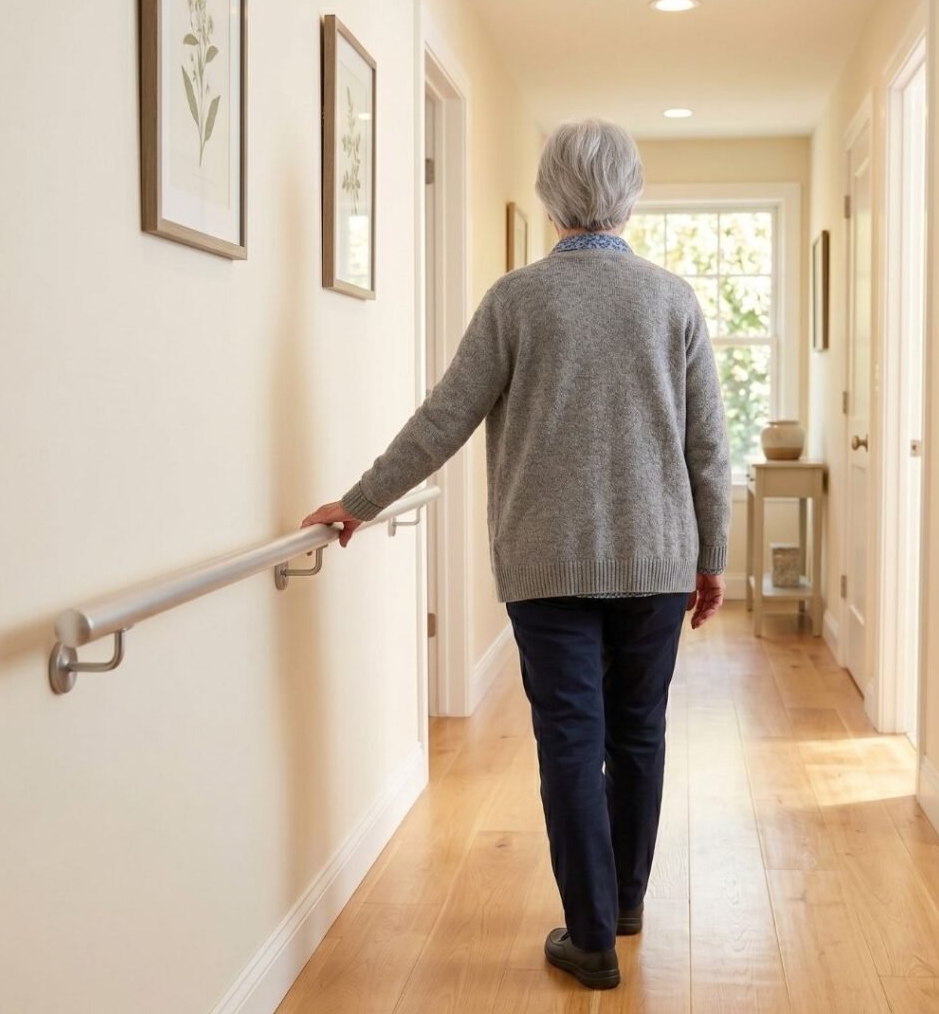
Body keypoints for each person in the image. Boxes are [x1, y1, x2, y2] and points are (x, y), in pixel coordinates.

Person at [301, 118, 731, 990]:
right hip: (656, 560)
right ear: (631, 195)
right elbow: (708, 449)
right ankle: (627, 902)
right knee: (639, 731)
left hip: (545, 565)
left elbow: (442, 419)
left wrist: (359, 502)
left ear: (549, 197)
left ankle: (591, 937)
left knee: (571, 741)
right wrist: (712, 555)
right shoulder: (673, 299)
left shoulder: (516, 300)